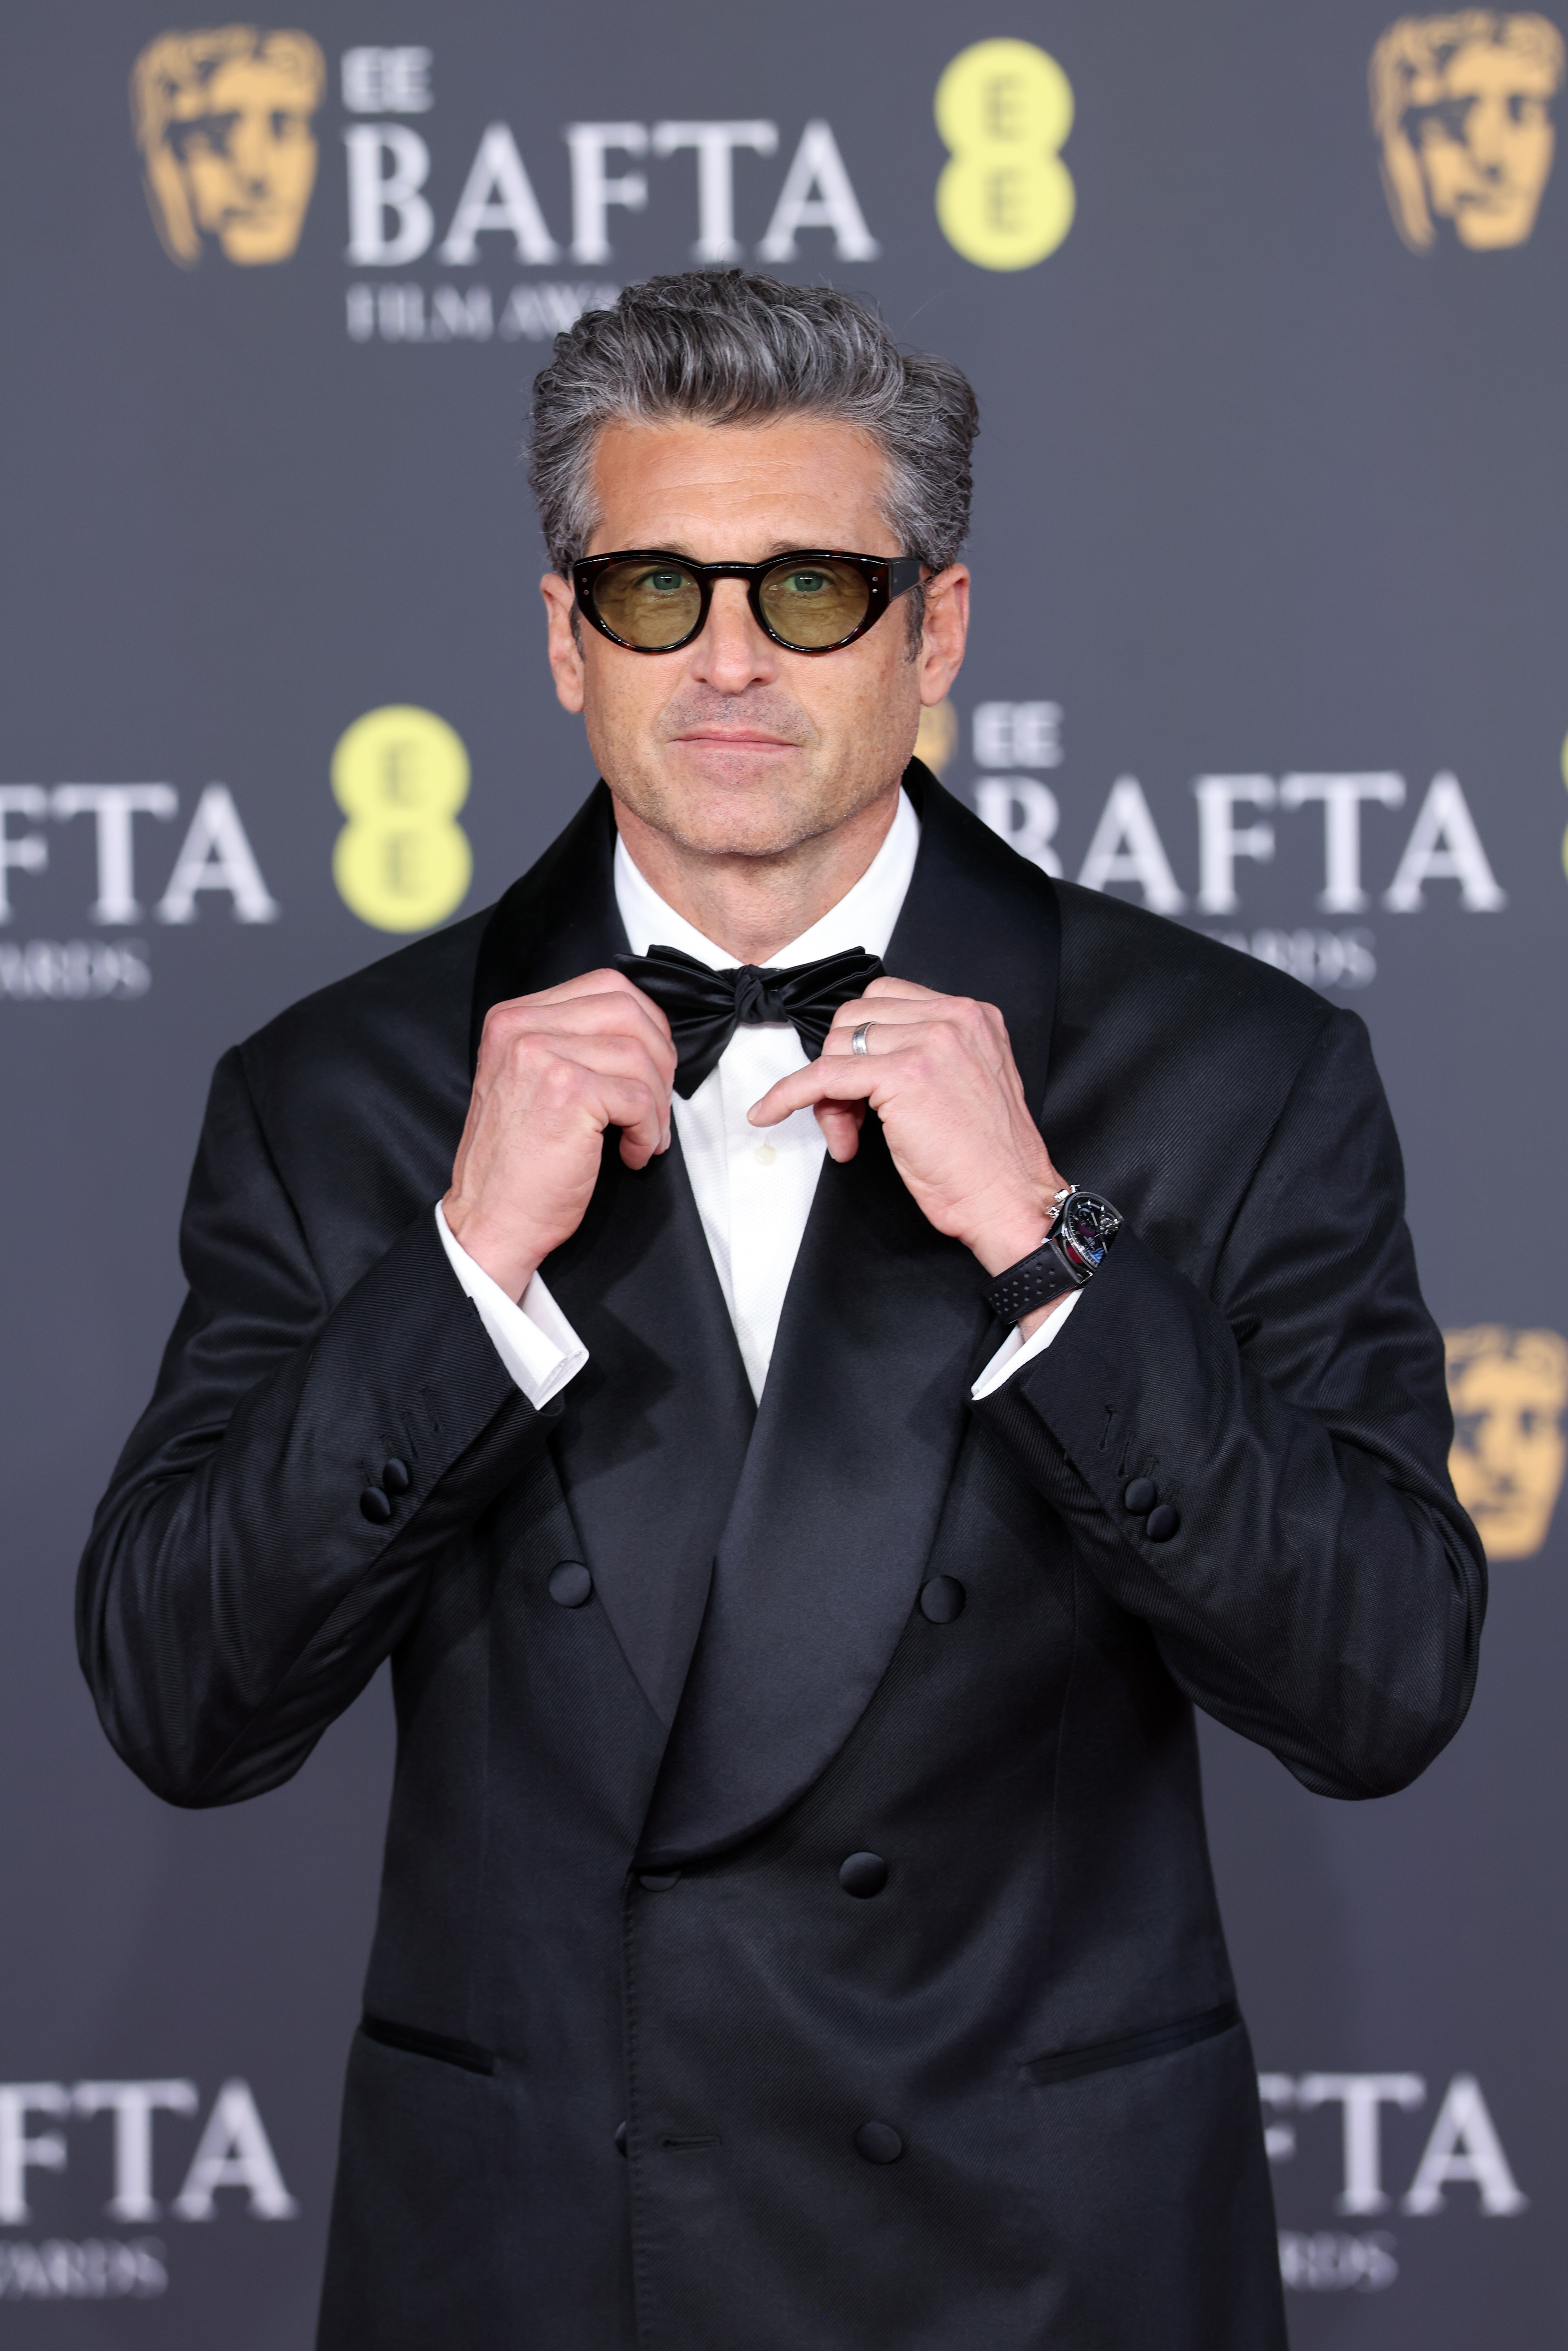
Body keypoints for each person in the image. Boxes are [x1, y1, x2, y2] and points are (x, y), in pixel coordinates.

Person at [78, 272, 1484, 2350]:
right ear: (565, 638)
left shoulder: (1231, 1072)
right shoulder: (350, 1095)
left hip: (1047, 2272)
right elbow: (180, 1709)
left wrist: (1051, 1252)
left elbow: (1382, 1687)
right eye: (656, 591)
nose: (729, 660)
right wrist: (460, 1279)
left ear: (941, 630)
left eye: (813, 591)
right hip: (545, 2265)